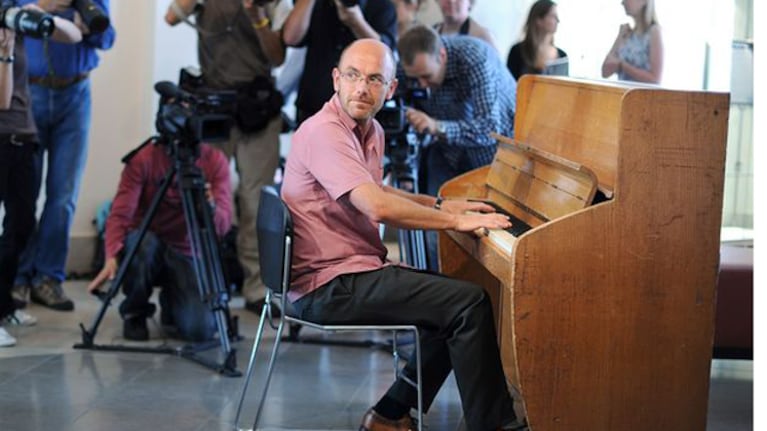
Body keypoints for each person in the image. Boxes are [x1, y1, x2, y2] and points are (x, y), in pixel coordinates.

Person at [282, 38, 527, 431]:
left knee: (451, 304)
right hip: (327, 286)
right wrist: (455, 222)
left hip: (351, 272)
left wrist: (441, 205)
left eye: (375, 79)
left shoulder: (370, 129)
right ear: (336, 79)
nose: (362, 87)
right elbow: (377, 207)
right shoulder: (324, 132)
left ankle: (390, 414)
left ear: (391, 89)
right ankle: (493, 425)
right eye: (353, 76)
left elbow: (379, 190)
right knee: (467, 304)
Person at [165, 0, 288, 315]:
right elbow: (170, 18)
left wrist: (256, 14)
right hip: (212, 107)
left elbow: (277, 56)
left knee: (256, 201)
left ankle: (258, 288)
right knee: (206, 198)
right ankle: (204, 282)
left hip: (257, 108)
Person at [12, 0, 116, 313]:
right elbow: (10, 22)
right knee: (23, 193)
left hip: (76, 95)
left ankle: (48, 277)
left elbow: (108, 38)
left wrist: (85, 24)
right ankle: (17, 276)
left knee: (64, 194)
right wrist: (44, 6)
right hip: (28, 94)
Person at [87, 141, 233, 342]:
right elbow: (120, 215)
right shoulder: (144, 159)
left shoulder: (214, 160)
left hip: (187, 252)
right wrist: (111, 256)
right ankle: (134, 312)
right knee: (142, 244)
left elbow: (223, 228)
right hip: (147, 245)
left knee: (200, 330)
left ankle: (172, 304)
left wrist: (210, 208)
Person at [398, 24, 516, 271]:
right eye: (415, 79)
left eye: (427, 77)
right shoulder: (411, 64)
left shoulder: (475, 57)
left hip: (493, 160)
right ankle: (438, 297)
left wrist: (436, 126)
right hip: (445, 153)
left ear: (441, 55)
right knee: (434, 231)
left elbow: (490, 129)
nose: (422, 86)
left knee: (485, 238)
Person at [1, 4, 82, 347]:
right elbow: (2, 100)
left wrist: (40, 17)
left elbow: (75, 36)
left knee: (21, 225)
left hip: (23, 137)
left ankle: (4, 305)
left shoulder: (10, 20)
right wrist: (4, 53)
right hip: (2, 137)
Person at [281, 0, 397, 125]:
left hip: (358, 113)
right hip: (313, 108)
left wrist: (357, 22)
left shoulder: (381, 6)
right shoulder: (318, 4)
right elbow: (290, 38)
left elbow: (385, 55)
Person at [601, 0, 662, 83]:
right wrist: (619, 39)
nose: (622, 2)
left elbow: (655, 79)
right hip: (623, 94)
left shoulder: (654, 32)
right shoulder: (627, 33)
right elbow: (605, 72)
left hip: (640, 95)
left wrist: (622, 66)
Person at [506, 0, 567, 81]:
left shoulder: (562, 56)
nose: (558, 21)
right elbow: (509, 85)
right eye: (553, 16)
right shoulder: (517, 51)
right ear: (539, 20)